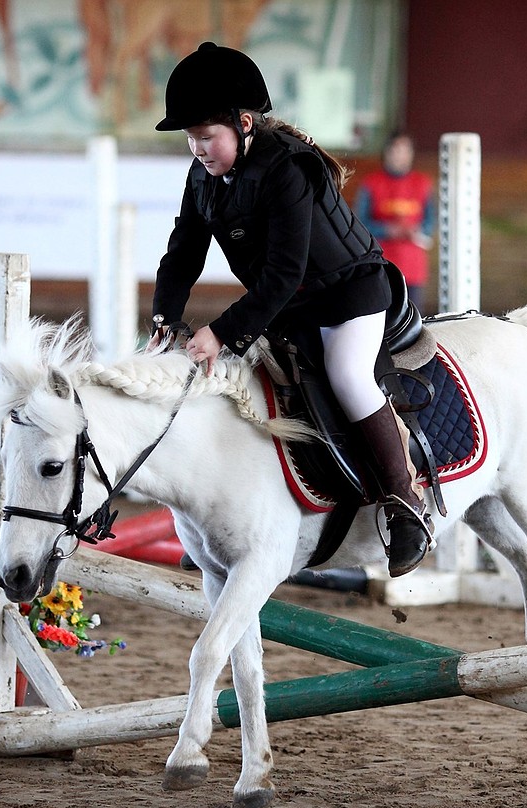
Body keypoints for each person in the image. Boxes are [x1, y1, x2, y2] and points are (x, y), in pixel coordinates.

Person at [149, 42, 432, 577]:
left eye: (206, 136)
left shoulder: (288, 169)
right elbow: (182, 251)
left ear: (245, 123)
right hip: (290, 305)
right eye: (190, 138)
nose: (197, 149)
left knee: (348, 376)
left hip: (349, 296)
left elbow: (284, 273)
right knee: (248, 383)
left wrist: (221, 331)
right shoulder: (202, 177)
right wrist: (166, 317)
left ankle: (405, 504)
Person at [354, 132, 435, 313]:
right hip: (381, 265)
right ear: (387, 152)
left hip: (413, 267)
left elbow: (430, 223)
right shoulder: (371, 183)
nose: (399, 155)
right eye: (395, 150)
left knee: (414, 320)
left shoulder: (422, 183)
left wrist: (417, 231)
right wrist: (387, 230)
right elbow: (359, 224)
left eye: (405, 150)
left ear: (411, 154)